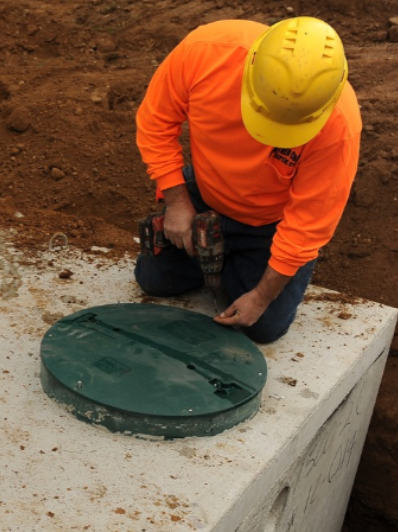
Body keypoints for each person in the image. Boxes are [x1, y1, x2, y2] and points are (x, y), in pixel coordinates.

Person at [134, 17, 361, 343]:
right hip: (204, 194)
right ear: (252, 66)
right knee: (153, 280)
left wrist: (261, 297)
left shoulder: (339, 124)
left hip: (268, 224)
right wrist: (177, 202)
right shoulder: (206, 51)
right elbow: (156, 123)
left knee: (263, 325)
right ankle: (221, 260)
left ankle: (228, 261)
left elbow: (308, 224)